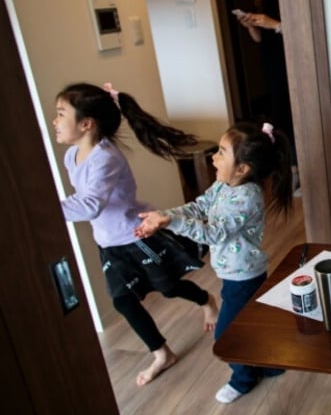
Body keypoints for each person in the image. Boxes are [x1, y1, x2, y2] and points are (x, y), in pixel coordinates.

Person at [53, 82, 218, 387]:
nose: (55, 121)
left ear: (86, 124)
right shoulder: (71, 157)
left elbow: (90, 204)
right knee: (123, 302)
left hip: (136, 236)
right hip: (109, 243)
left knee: (168, 288)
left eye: (61, 113)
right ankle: (162, 353)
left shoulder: (106, 158)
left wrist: (46, 208)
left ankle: (206, 299)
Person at [135, 121, 294, 404]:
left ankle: (242, 379)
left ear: (243, 169)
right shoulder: (223, 185)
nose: (213, 157)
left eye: (221, 152)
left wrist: (173, 222)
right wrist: (164, 216)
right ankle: (267, 365)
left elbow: (214, 231)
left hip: (243, 275)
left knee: (226, 334)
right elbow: (198, 206)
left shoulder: (247, 197)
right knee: (249, 323)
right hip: (235, 271)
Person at [233, 0, 296, 171]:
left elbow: (298, 33)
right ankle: (290, 167)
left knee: (292, 112)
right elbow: (260, 39)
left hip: (289, 62)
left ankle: (297, 164)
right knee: (278, 113)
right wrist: (251, 26)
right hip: (270, 63)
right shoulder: (263, 0)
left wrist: (273, 23)